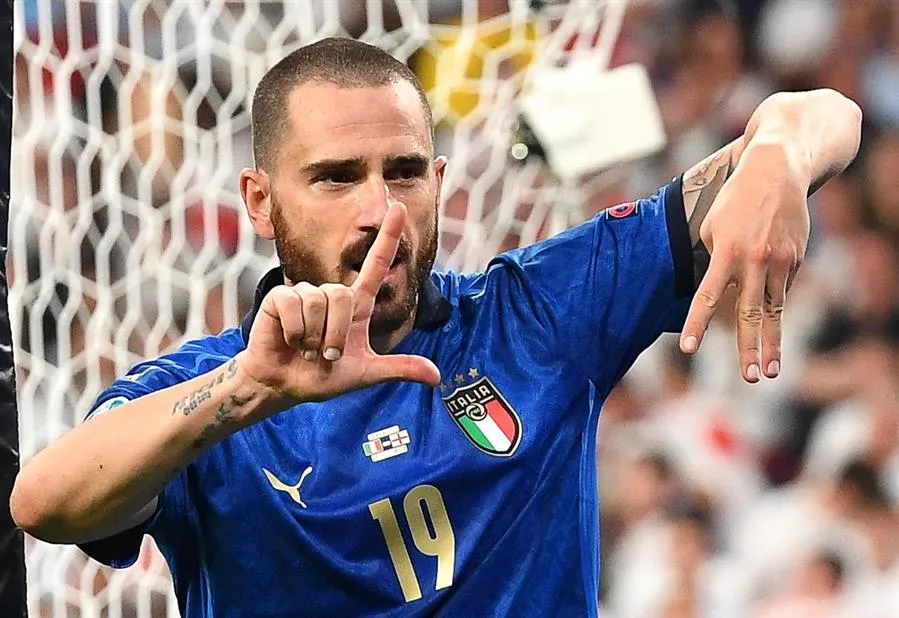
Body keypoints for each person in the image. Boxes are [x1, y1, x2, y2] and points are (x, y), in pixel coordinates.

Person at [10, 37, 862, 617]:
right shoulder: (213, 393)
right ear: (261, 204)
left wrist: (781, 149)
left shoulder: (536, 317)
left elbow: (827, 114)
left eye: (405, 172)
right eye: (336, 178)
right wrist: (250, 390)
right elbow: (43, 504)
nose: (381, 211)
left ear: (441, 181)